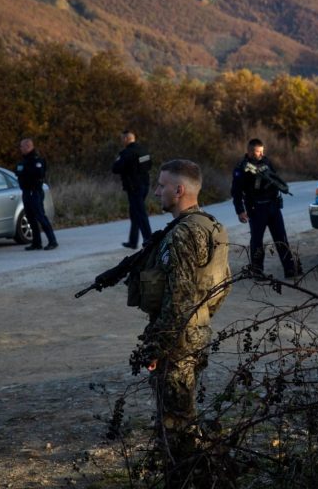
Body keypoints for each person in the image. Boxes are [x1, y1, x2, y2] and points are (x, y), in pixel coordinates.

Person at [123, 159, 231, 482]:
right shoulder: (211, 226)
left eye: (162, 185)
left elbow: (180, 298)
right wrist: (201, 321)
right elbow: (223, 285)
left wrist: (157, 346)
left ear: (179, 190)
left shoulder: (182, 235)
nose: (156, 191)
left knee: (175, 428)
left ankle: (191, 478)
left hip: (177, 344)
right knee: (184, 417)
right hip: (196, 333)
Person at [230, 138, 301, 278]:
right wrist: (240, 211)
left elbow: (275, 178)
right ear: (250, 152)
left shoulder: (267, 162)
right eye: (258, 152)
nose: (261, 154)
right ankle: (257, 271)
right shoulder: (241, 169)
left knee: (281, 238)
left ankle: (290, 269)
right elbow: (236, 192)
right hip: (256, 208)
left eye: (262, 151)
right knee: (257, 241)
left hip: (273, 206)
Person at [15, 138, 58, 251]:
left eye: (22, 147)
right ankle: (36, 242)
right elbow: (18, 173)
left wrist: (26, 173)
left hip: (35, 192)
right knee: (30, 217)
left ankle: (52, 241)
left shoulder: (37, 160)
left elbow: (38, 174)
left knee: (40, 216)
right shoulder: (23, 161)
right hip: (26, 192)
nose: (20, 149)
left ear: (28, 146)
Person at [112, 130, 152, 249]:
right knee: (135, 213)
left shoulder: (126, 153)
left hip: (134, 187)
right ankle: (133, 241)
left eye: (122, 139)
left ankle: (149, 240)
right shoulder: (143, 151)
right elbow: (149, 165)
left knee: (140, 213)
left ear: (126, 139)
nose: (121, 141)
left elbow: (115, 168)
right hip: (145, 185)